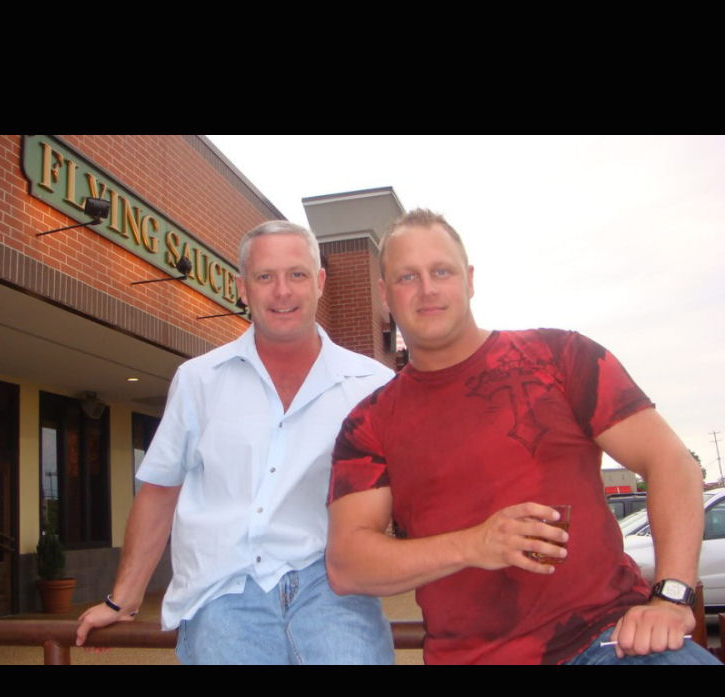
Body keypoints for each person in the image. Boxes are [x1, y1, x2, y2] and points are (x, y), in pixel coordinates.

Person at [327, 208, 720, 665]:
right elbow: (347, 564)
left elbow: (672, 462)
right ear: (384, 294)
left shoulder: (560, 356)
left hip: (611, 641)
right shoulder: (370, 422)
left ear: (470, 279)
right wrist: (475, 544)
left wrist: (671, 597)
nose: (428, 289)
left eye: (441, 271)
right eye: (407, 277)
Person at [77, 220, 395, 664]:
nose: (282, 291)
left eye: (297, 274)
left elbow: (419, 490)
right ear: (242, 288)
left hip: (332, 588)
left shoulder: (373, 384)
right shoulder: (199, 380)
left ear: (319, 282)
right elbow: (161, 490)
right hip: (223, 591)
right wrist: (123, 599)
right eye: (265, 277)